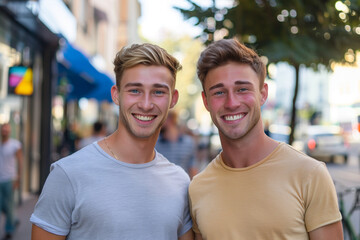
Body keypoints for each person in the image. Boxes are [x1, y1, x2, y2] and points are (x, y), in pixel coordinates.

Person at [30, 43, 194, 240]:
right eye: (135, 90)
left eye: (158, 92)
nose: (145, 104)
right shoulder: (68, 174)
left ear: (173, 99)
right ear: (116, 95)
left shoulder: (180, 182)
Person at [189, 38, 343, 240]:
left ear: (263, 94)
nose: (231, 102)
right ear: (205, 101)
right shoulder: (198, 188)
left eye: (242, 89)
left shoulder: (309, 174)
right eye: (219, 92)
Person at [156, 110, 198, 179]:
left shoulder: (188, 142)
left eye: (161, 117)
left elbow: (192, 168)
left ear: (170, 119)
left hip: (183, 186)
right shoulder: (156, 143)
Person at [0, 123, 23, 240]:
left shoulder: (15, 145)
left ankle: (9, 230)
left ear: (9, 132)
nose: (4, 132)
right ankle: (14, 218)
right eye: (3, 130)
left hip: (10, 179)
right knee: (3, 205)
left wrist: (18, 179)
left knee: (8, 205)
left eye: (6, 130)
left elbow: (20, 162)